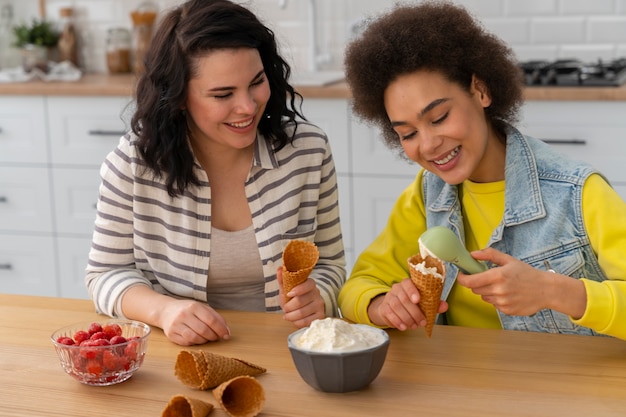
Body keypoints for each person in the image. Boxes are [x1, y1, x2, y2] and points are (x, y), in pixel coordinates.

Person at [338, 1, 626, 340]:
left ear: (481, 91)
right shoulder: (427, 195)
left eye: (440, 117)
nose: (428, 144)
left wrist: (553, 291)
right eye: (408, 134)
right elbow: (356, 287)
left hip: (563, 387)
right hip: (466, 384)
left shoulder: (579, 191)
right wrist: (382, 304)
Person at [85, 0, 345, 346]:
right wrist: (164, 311)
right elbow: (104, 274)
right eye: (223, 94)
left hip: (291, 347)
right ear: (178, 97)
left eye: (256, 82)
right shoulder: (133, 164)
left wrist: (320, 295)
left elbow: (331, 265)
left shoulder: (308, 152)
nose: (248, 107)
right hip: (177, 353)